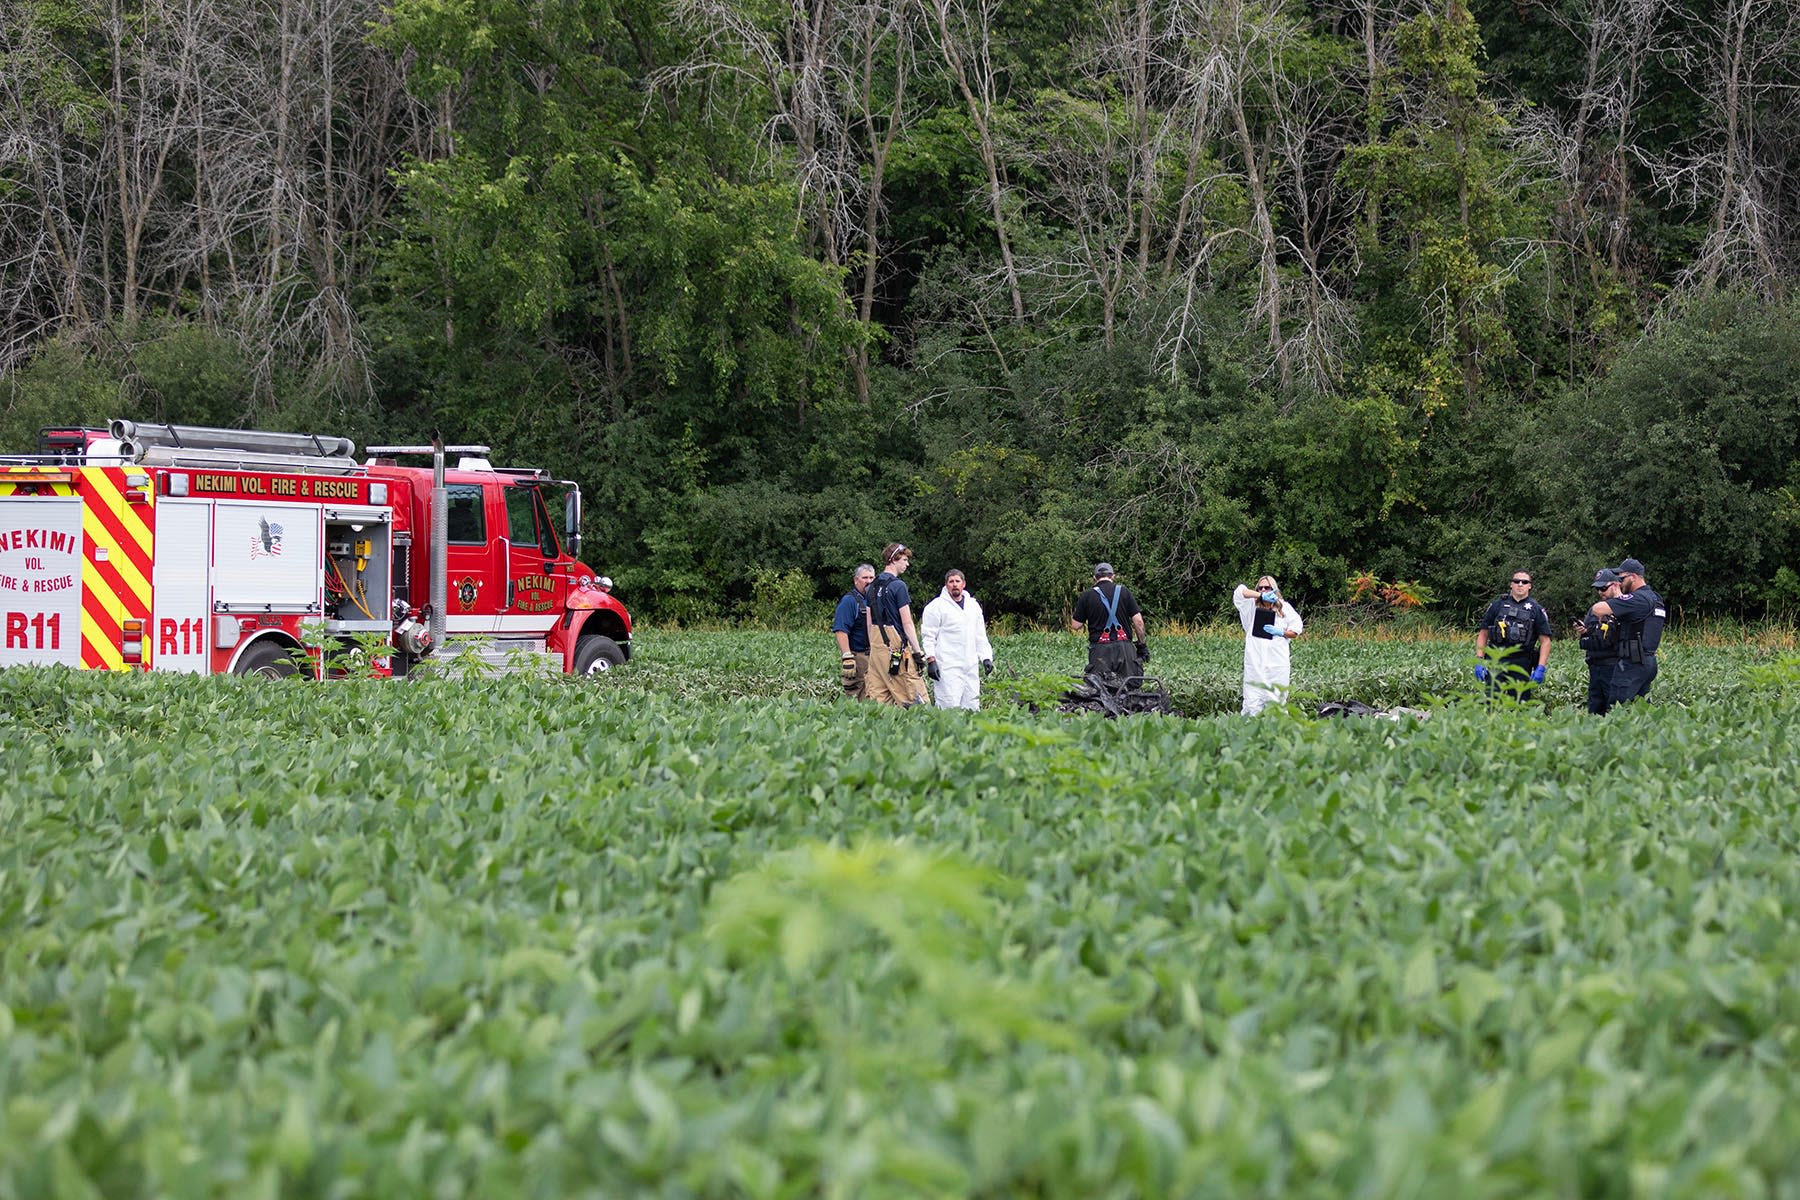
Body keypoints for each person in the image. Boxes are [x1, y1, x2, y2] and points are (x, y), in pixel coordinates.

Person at [1587, 557, 1666, 705]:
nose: (1619, 582)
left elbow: (1598, 609)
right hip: (1648, 661)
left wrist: (1618, 598)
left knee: (1617, 707)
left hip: (1632, 663)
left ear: (1633, 577)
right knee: (1641, 710)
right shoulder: (1656, 599)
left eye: (1622, 578)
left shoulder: (1638, 599)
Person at [920, 568, 995, 710]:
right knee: (949, 707)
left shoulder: (973, 606)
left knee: (972, 707)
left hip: (970, 665)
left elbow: (980, 635)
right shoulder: (936, 607)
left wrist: (985, 657)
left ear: (963, 584)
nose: (954, 584)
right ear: (946, 585)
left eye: (957, 581)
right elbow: (929, 636)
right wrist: (931, 660)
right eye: (951, 581)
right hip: (947, 666)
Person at [1473, 568, 1552, 701]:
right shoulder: (1497, 606)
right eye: (1516, 581)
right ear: (1511, 584)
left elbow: (1545, 641)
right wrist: (1479, 660)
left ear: (1530, 586)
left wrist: (1541, 667)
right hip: (1497, 660)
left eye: (1524, 582)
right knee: (1491, 702)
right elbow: (1483, 634)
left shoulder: (1536, 610)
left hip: (1522, 662)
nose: (1520, 584)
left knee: (1519, 705)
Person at [863, 542, 926, 707]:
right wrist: (918, 652)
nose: (907, 564)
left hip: (876, 648)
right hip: (895, 648)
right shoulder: (899, 586)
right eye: (904, 560)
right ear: (893, 560)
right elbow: (907, 623)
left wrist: (873, 648)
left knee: (879, 702)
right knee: (914, 697)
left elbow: (869, 623)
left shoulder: (871, 587)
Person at [1233, 575, 1304, 714]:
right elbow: (1239, 591)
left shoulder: (1285, 608)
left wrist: (1280, 632)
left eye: (1267, 588)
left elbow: (1296, 631)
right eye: (1261, 587)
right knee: (1251, 707)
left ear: (1274, 589)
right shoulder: (1251, 607)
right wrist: (1260, 596)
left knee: (1277, 708)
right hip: (1255, 668)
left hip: (1277, 668)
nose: (1264, 590)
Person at [1069, 563, 1146, 681]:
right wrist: (1141, 645)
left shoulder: (1087, 596)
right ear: (1113, 576)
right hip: (1124, 649)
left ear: (1095, 578)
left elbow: (1075, 625)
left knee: (1100, 690)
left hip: (1100, 652)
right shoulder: (1124, 592)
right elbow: (1139, 622)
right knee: (1130, 687)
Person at [1571, 568, 1623, 715]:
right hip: (1594, 665)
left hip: (1614, 665)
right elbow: (1591, 632)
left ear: (1615, 584)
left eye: (1603, 588)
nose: (1600, 592)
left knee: (1613, 708)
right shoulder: (1595, 609)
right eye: (1598, 589)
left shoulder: (1625, 606)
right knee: (1594, 709)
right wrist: (1584, 631)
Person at [831, 563, 876, 699]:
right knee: (857, 697)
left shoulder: (873, 600)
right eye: (865, 578)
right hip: (858, 656)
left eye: (871, 578)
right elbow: (841, 630)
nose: (869, 581)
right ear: (856, 580)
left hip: (874, 656)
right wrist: (847, 657)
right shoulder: (849, 601)